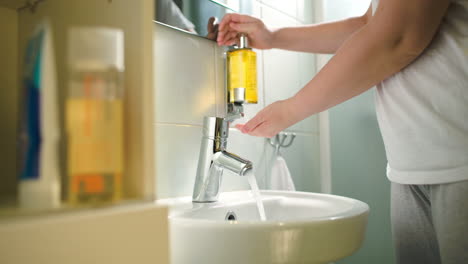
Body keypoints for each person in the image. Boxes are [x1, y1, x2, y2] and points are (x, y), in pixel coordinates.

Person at [216, 0, 468, 264]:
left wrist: (290, 110)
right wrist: (273, 37)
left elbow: (398, 36)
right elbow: (370, 26)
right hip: (411, 166)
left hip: (459, 159)